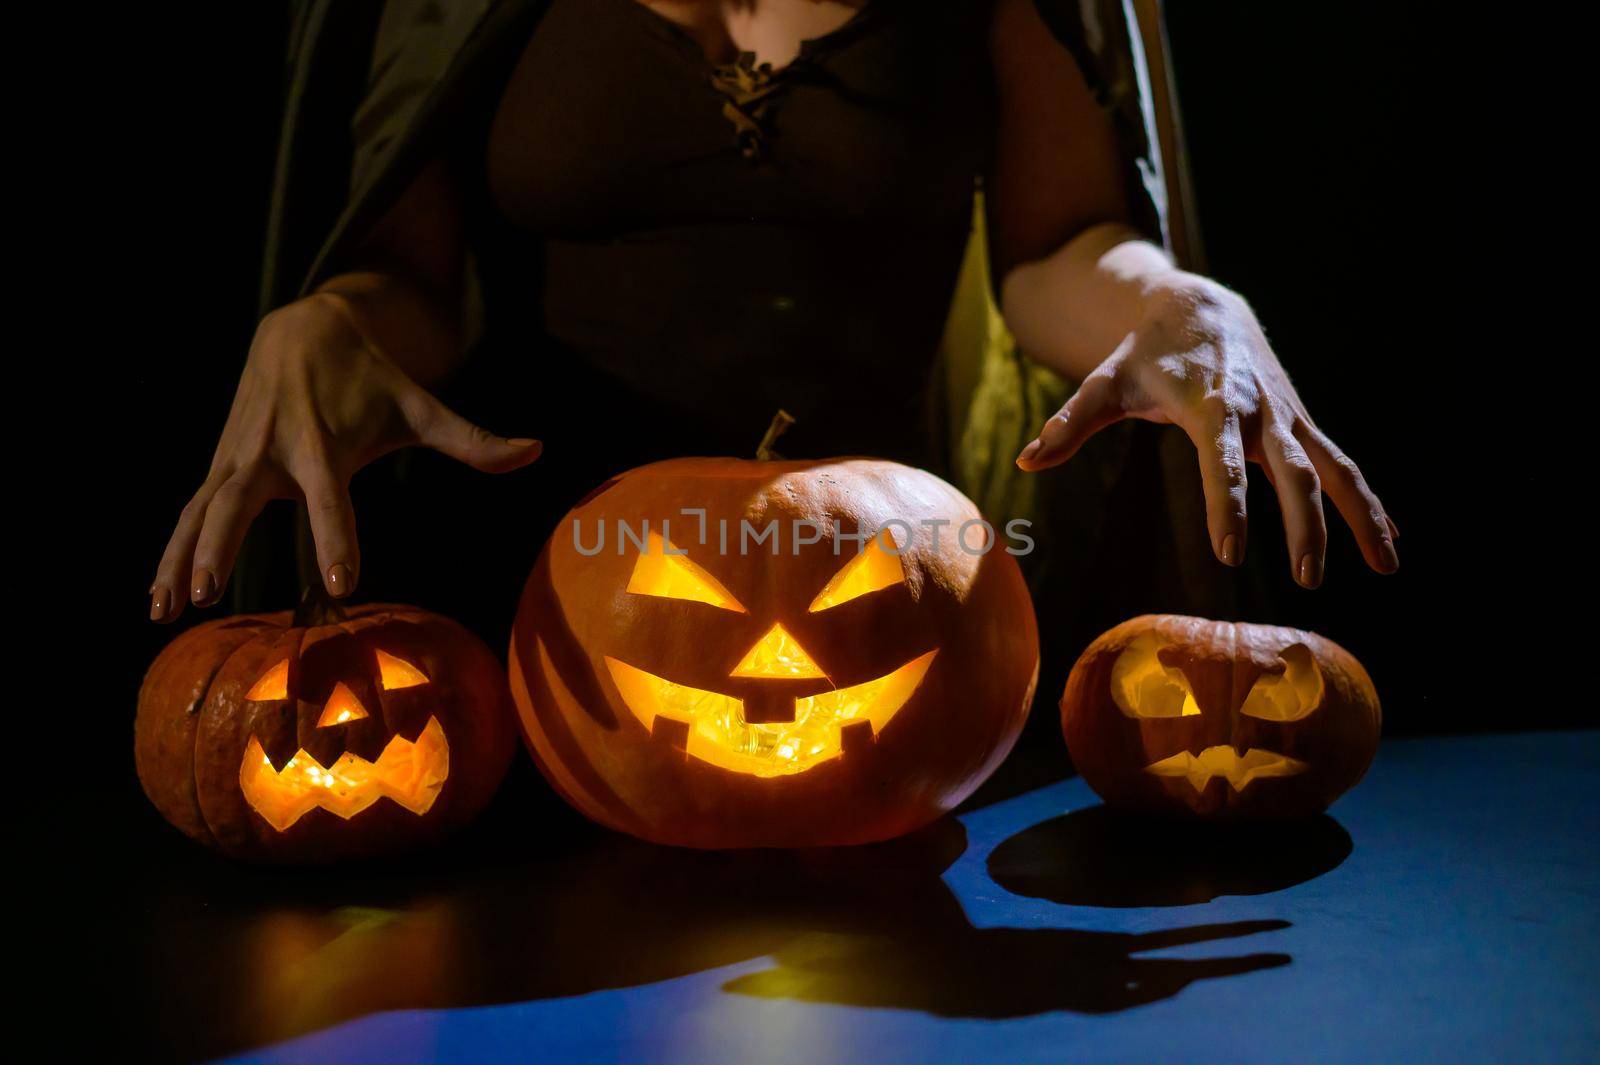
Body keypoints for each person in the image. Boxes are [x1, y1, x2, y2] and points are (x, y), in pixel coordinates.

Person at [149, 0, 1397, 624]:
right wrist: (327, 322)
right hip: (540, 600)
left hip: (878, 594)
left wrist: (1176, 301)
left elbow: (1058, 246)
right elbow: (410, 283)